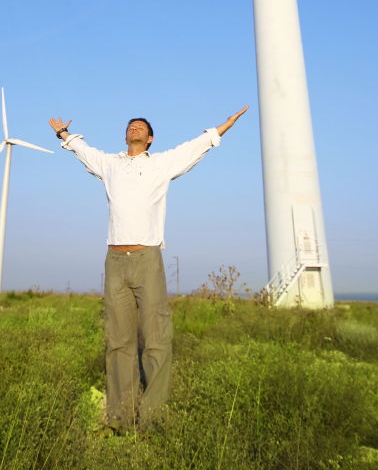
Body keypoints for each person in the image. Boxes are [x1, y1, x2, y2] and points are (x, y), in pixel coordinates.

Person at [48, 106, 248, 431]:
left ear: (150, 138)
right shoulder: (110, 164)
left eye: (141, 126)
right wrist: (64, 134)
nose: (135, 128)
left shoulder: (161, 164)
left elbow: (195, 147)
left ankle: (152, 419)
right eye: (131, 126)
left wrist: (223, 127)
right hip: (114, 261)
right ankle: (120, 417)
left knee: (155, 338)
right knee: (118, 341)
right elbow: (84, 152)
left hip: (147, 258)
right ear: (125, 136)